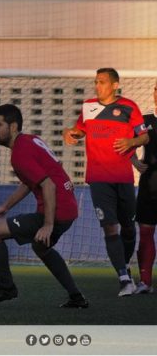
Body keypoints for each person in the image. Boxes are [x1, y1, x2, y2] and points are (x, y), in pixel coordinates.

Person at [0, 104, 88, 308]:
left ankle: (6, 288)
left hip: (56, 211)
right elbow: (34, 180)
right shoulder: (31, 140)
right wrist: (6, 206)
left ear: (12, 127)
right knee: (41, 247)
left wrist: (48, 224)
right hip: (67, 209)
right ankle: (77, 297)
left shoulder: (20, 153)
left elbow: (48, 184)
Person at [62, 67, 149, 296]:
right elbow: (79, 130)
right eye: (96, 82)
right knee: (110, 228)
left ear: (115, 85)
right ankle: (123, 278)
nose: (97, 86)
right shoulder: (88, 107)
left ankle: (126, 267)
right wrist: (69, 133)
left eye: (102, 82)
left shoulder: (130, 107)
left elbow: (144, 137)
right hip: (98, 178)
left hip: (123, 178)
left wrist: (131, 142)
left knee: (129, 229)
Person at [132, 79, 157, 294]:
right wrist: (134, 161)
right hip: (149, 186)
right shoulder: (145, 121)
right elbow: (126, 141)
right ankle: (145, 282)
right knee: (146, 232)